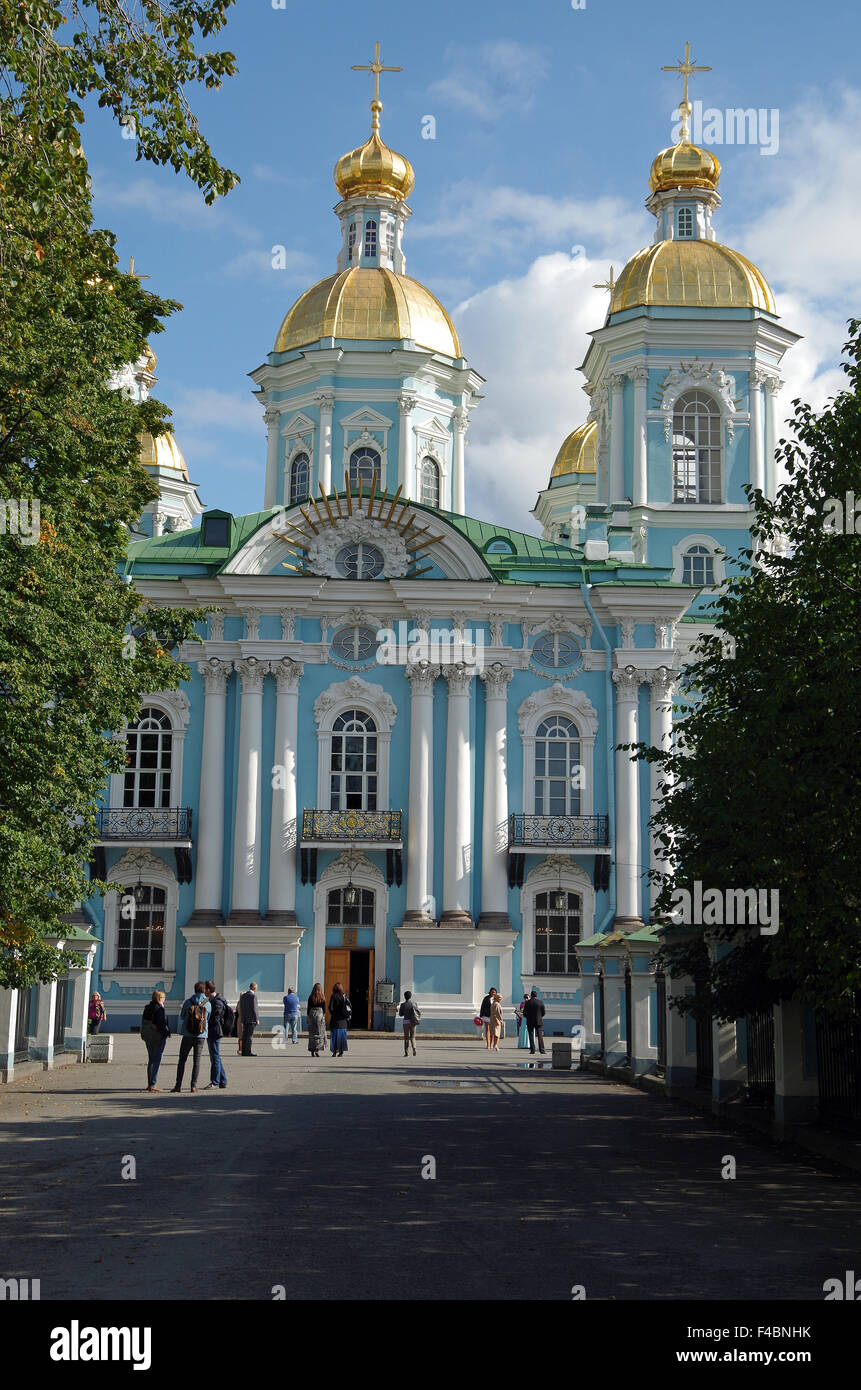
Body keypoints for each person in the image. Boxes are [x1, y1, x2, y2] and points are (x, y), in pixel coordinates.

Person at [171, 982, 211, 1093]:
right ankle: (193, 1086)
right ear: (204, 990)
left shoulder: (188, 1002)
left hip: (187, 1034)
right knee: (196, 1061)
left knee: (182, 1060)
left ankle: (178, 1085)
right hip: (201, 1036)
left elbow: (182, 1016)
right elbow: (208, 1018)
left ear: (194, 990)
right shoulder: (207, 1003)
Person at [141, 990, 170, 1091]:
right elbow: (161, 1024)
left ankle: (150, 1083)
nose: (164, 999)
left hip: (148, 1036)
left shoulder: (147, 1007)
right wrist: (166, 1032)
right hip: (158, 1037)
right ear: (159, 998)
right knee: (157, 1060)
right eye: (163, 997)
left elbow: (145, 1021)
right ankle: (153, 1084)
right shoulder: (159, 1009)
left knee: (151, 1059)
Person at [204, 981, 230, 1089]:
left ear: (208, 990)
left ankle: (215, 1081)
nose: (204, 992)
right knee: (216, 1056)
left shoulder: (217, 1002)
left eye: (205, 990)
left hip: (215, 1031)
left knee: (214, 1057)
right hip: (213, 1031)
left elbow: (216, 1019)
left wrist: (206, 1019)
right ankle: (222, 1080)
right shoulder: (212, 1000)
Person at [328, 982, 351, 1057]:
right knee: (342, 1036)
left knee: (334, 1036)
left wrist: (333, 1013)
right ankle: (341, 1052)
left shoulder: (333, 996)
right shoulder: (344, 996)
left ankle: (334, 1051)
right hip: (343, 1021)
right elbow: (349, 1006)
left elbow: (330, 1008)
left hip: (335, 1020)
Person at [398, 990, 421, 1057]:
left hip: (406, 1021)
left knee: (406, 1037)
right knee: (413, 1037)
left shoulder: (403, 1005)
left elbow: (400, 1014)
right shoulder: (414, 1003)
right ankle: (414, 1048)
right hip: (413, 1021)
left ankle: (406, 1052)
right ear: (410, 996)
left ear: (404, 997)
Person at [239, 981, 260, 1056]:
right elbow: (254, 1008)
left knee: (244, 1035)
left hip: (245, 1019)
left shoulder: (243, 996)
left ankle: (244, 1051)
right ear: (254, 987)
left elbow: (241, 1008)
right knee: (249, 1036)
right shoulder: (253, 996)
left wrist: (242, 1018)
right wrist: (257, 1019)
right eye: (256, 988)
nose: (256, 989)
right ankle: (248, 1051)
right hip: (251, 1019)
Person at [307, 982, 327, 1057]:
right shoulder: (322, 997)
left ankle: (312, 1050)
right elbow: (324, 1010)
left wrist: (308, 1017)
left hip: (312, 1015)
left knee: (312, 1033)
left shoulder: (311, 997)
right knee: (320, 1033)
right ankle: (317, 1049)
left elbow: (308, 1009)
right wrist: (323, 1018)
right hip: (320, 1015)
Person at [524, 990, 546, 1055]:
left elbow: (525, 1013)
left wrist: (528, 1017)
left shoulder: (527, 1002)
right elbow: (543, 1013)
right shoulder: (540, 1002)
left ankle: (532, 1050)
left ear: (531, 995)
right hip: (538, 1021)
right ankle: (542, 1050)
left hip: (530, 1021)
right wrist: (539, 1017)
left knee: (531, 1036)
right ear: (536, 995)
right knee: (540, 1036)